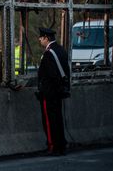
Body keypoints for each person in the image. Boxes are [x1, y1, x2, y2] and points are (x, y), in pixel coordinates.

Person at [36, 27, 70, 156]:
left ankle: (52, 145)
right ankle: (61, 144)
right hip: (59, 92)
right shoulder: (61, 50)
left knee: (49, 121)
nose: (39, 39)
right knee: (58, 118)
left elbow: (50, 75)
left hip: (49, 93)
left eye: (41, 37)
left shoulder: (49, 53)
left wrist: (43, 89)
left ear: (46, 38)